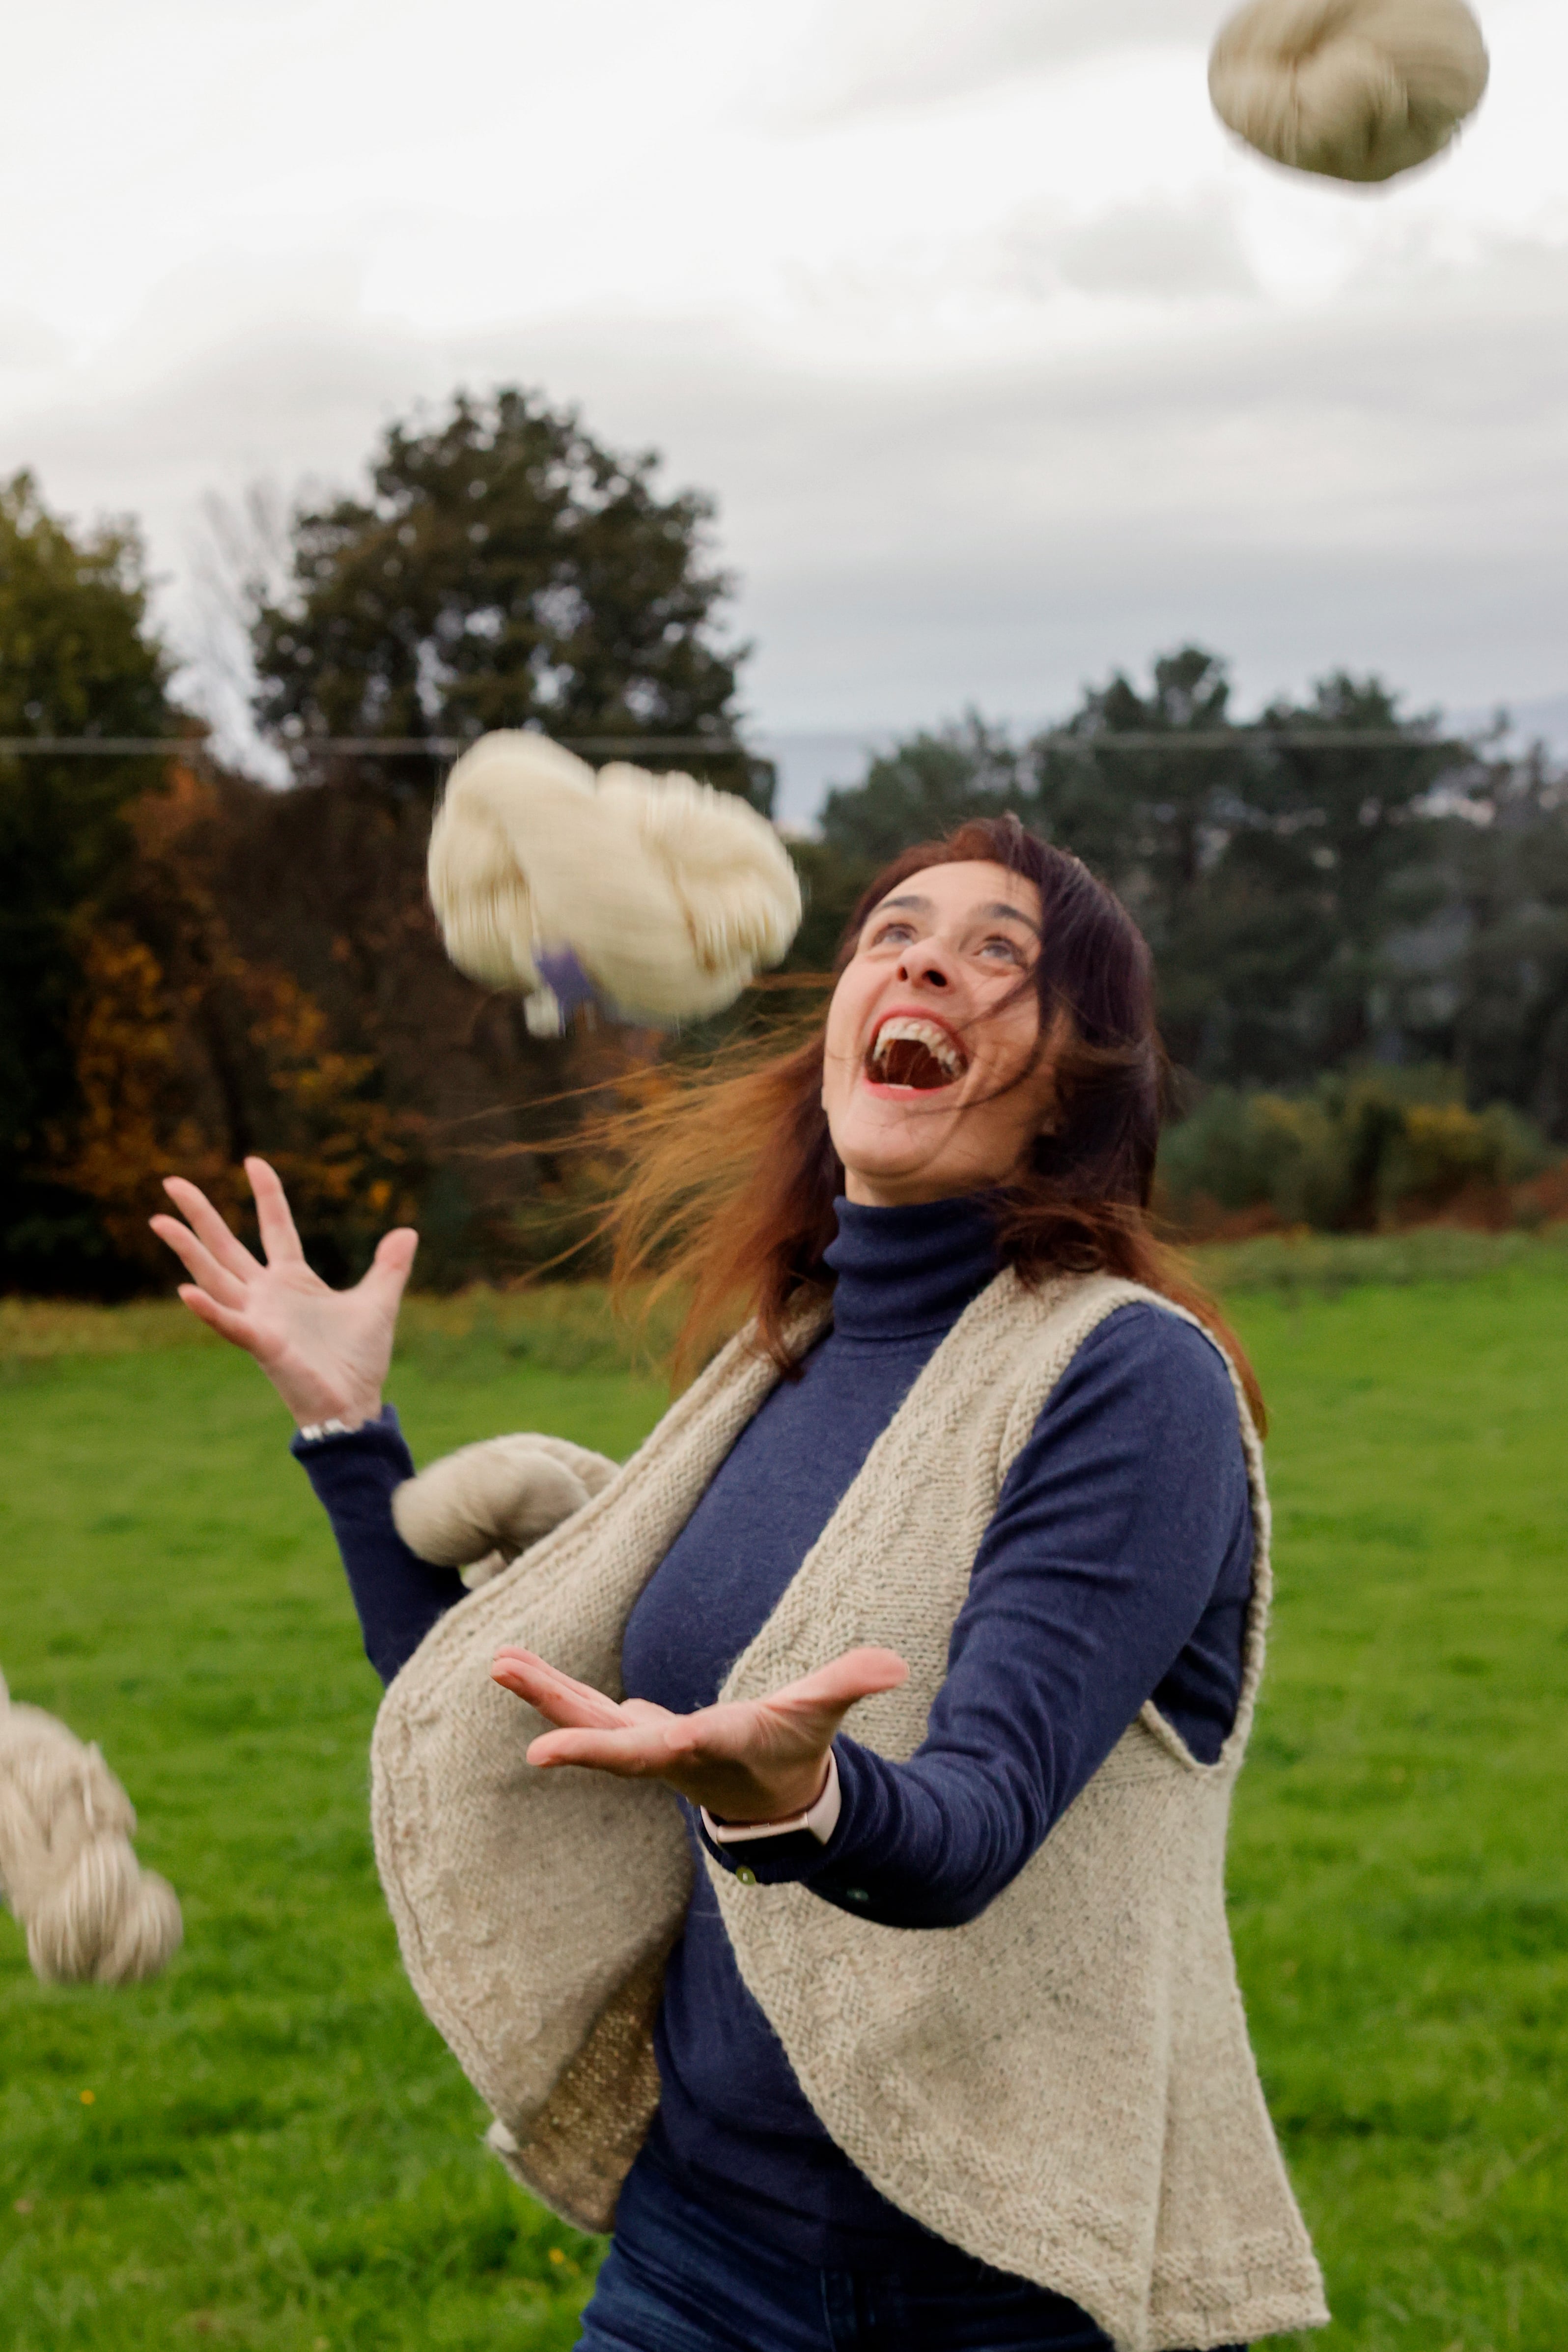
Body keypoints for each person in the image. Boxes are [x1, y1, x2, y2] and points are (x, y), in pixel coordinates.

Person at [153, 814, 1327, 2352]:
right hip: (698, 2260)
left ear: (1071, 1086)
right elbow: (519, 1709)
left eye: (1001, 953)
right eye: (895, 931)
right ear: (838, 1029)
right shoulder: (783, 1357)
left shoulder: (1124, 1374)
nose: (925, 958)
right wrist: (346, 1428)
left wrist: (801, 1802)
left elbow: (972, 1822)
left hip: (1004, 2299)